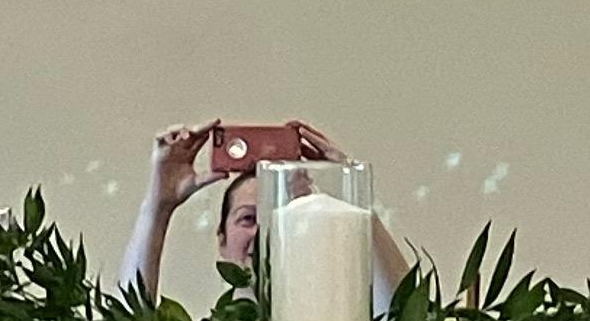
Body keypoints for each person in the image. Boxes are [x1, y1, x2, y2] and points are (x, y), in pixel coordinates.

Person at [119, 119, 424, 304]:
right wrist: (158, 207)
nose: (263, 232)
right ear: (222, 238)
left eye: (282, 219)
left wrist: (350, 190)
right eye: (248, 218)